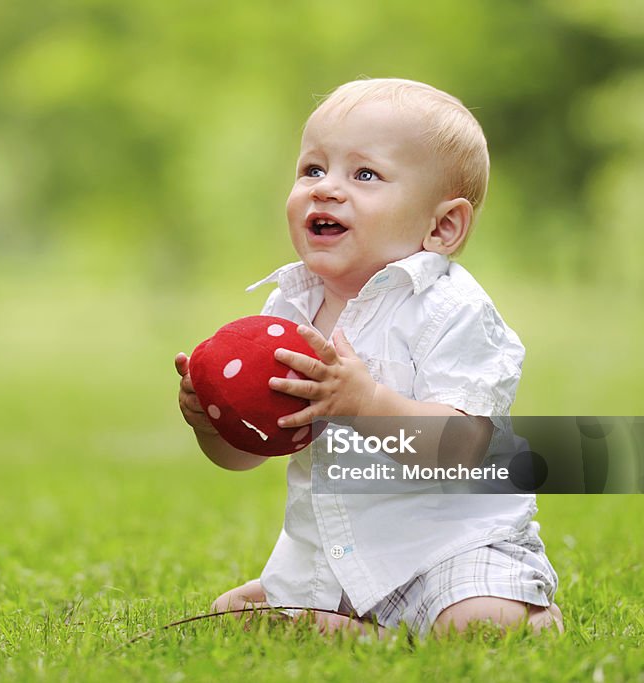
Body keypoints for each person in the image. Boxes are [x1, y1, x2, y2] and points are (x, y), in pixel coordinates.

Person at [174, 78, 562, 637]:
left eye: (365, 175)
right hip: (339, 559)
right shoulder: (287, 309)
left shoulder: (449, 308)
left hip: (451, 550)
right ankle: (361, 626)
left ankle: (519, 609)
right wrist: (211, 422)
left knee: (477, 622)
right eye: (312, 169)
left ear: (443, 225)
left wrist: (367, 404)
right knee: (231, 616)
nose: (326, 189)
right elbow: (248, 454)